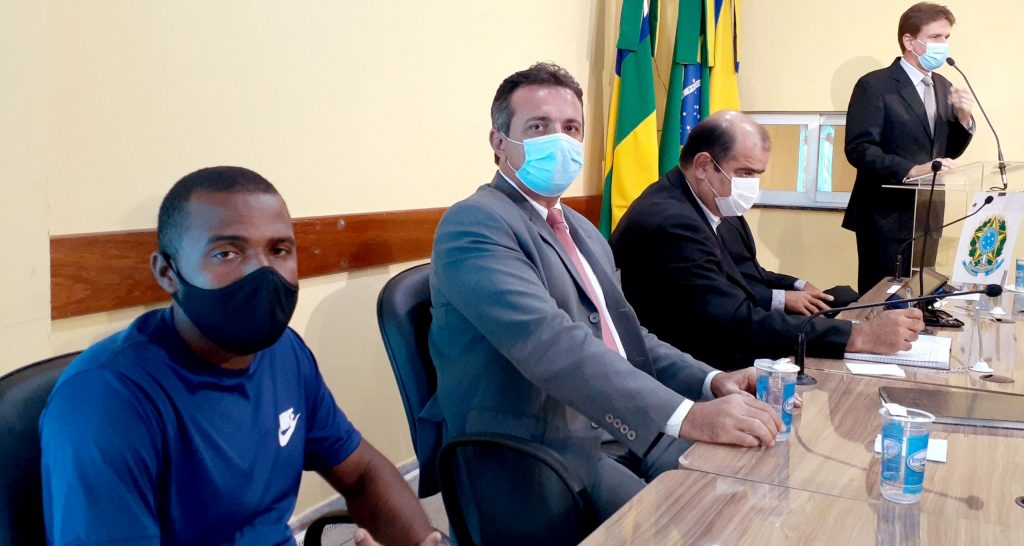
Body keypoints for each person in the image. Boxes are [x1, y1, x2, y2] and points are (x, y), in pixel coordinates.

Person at [425, 63, 784, 521]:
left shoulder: (580, 229)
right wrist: (687, 415)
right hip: (542, 445)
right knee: (679, 521)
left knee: (748, 483)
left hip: (621, 425)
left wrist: (711, 381)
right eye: (538, 127)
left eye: (571, 128)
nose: (559, 140)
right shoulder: (475, 223)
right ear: (499, 142)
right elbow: (551, 343)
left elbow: (628, 336)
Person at [40, 167, 442, 546]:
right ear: (167, 273)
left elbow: (362, 473)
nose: (262, 272)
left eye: (279, 250)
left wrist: (424, 542)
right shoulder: (105, 399)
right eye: (227, 253)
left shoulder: (285, 353)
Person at [610, 111, 924, 372]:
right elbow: (733, 321)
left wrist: (801, 293)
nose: (752, 185)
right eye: (745, 172)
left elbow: (746, 275)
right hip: (690, 368)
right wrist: (859, 336)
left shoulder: (713, 201)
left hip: (721, 345)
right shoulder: (671, 222)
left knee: (841, 299)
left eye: (757, 174)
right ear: (704, 165)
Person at [843, 2, 974, 294]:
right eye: (935, 37)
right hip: (884, 217)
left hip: (928, 216)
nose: (943, 45)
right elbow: (859, 148)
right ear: (909, 41)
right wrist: (911, 170)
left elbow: (945, 152)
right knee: (882, 303)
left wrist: (963, 119)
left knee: (920, 298)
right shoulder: (875, 85)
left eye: (946, 38)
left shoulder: (943, 85)